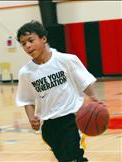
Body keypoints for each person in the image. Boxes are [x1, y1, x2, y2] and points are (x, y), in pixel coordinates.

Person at [16, 20, 98, 162]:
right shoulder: (26, 73)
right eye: (23, 43)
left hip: (72, 120)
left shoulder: (66, 60)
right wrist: (31, 118)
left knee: (75, 157)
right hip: (49, 126)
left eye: (30, 40)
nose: (27, 46)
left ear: (43, 38)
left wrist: (94, 99)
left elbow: (84, 81)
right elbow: (27, 99)